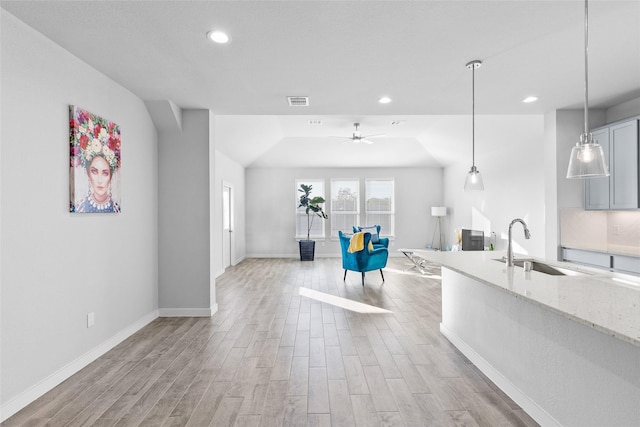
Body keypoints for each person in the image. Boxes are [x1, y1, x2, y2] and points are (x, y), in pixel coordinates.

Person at [70, 106, 121, 213]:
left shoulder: (116, 209)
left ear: (111, 177)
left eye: (105, 173)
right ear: (88, 174)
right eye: (94, 171)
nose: (99, 180)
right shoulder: (79, 208)